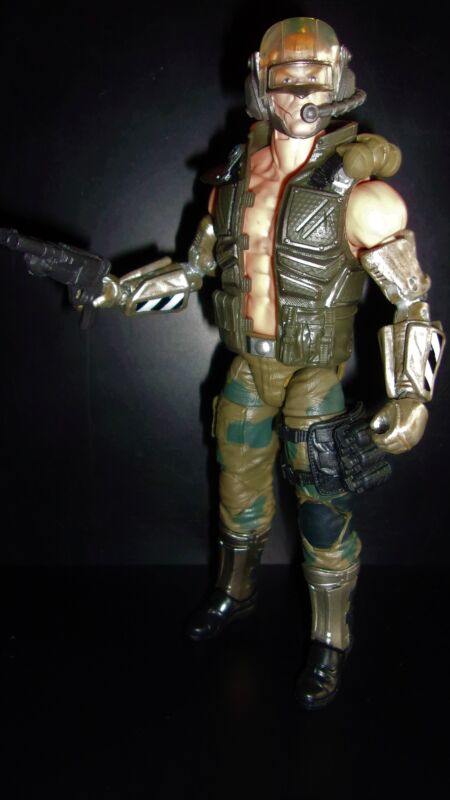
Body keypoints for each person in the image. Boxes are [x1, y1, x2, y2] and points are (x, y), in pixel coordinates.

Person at [57, 18, 449, 708]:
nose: (299, 94)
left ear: (339, 81)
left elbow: (411, 300)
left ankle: (330, 638)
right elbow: (194, 272)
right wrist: (116, 292)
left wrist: (413, 396)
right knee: (236, 496)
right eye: (284, 80)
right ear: (260, 84)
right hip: (248, 364)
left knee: (322, 511)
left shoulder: (365, 196)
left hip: (314, 373)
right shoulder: (234, 181)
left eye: (312, 79)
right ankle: (234, 593)